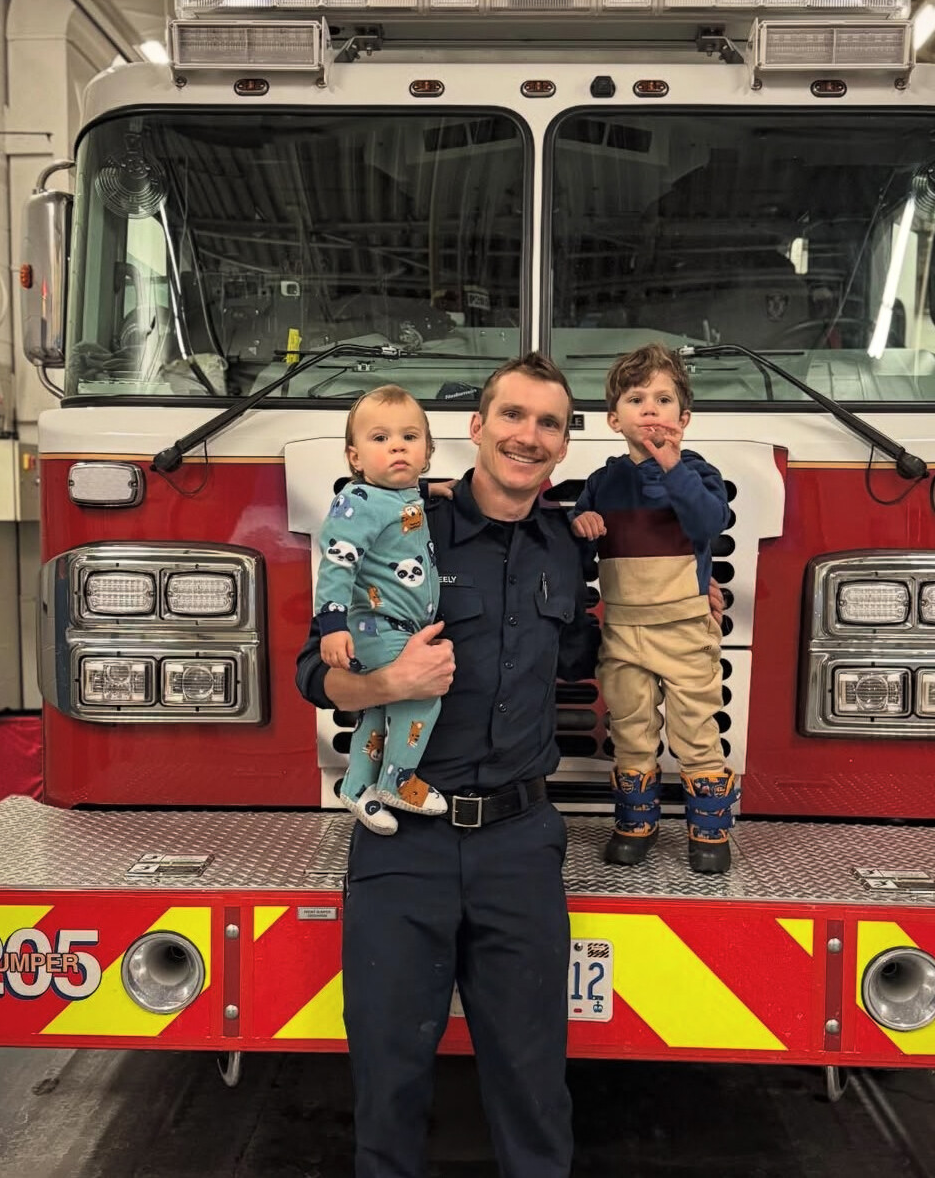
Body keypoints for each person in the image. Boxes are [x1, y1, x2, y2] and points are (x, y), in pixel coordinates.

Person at [296, 353, 599, 1178]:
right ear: (476, 427)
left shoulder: (565, 547)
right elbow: (311, 672)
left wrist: (685, 595)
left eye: (548, 423)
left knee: (535, 1091)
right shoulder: (402, 521)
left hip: (520, 844)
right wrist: (386, 684)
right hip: (405, 845)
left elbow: (585, 652)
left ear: (563, 445)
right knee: (388, 1086)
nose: (528, 436)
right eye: (512, 416)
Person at [570, 343, 735, 874]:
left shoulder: (698, 473)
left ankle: (709, 830)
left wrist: (671, 466)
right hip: (622, 630)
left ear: (683, 420)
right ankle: (635, 824)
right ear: (613, 419)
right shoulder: (603, 483)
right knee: (630, 728)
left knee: (695, 730)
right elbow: (577, 558)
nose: (650, 410)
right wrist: (581, 528)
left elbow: (708, 523)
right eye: (636, 399)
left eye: (663, 400)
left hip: (686, 628)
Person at [313, 385, 447, 833]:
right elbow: (337, 564)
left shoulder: (400, 495)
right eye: (380, 438)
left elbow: (401, 498)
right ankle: (397, 781)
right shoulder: (355, 503)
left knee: (376, 708)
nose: (397, 447)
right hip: (377, 625)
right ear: (355, 458)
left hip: (397, 625)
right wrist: (332, 625)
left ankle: (356, 788)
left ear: (427, 452)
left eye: (410, 437)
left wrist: (432, 488)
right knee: (421, 693)